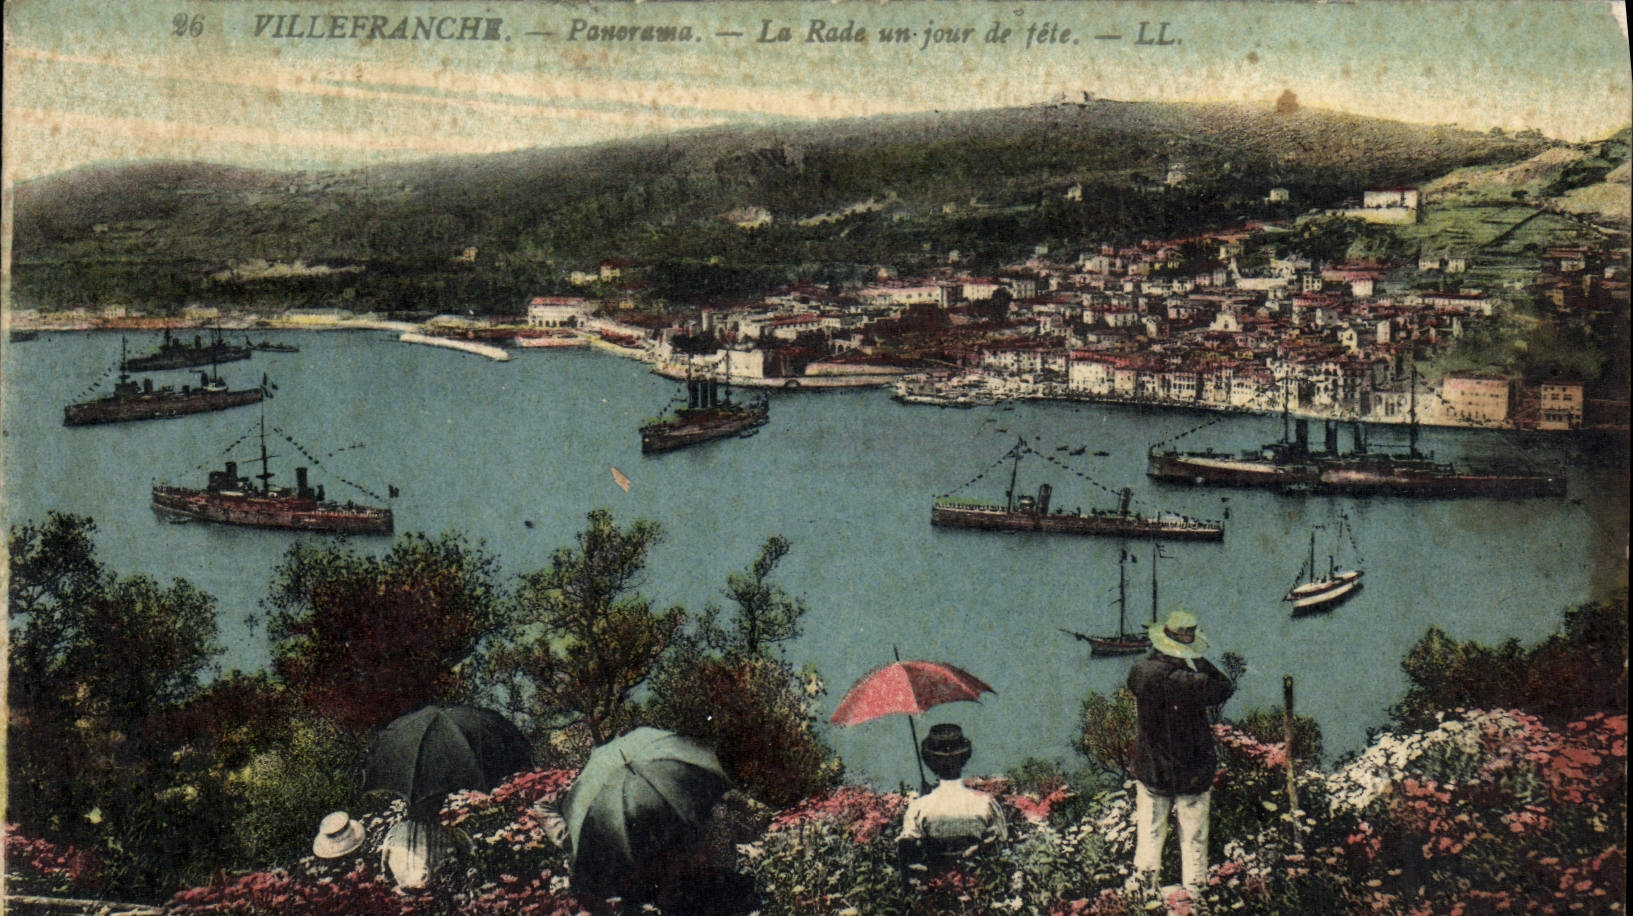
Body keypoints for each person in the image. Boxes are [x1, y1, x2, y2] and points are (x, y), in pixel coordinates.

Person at [1127, 610, 1235, 893]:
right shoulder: (1192, 682)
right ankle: (1195, 895)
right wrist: (1197, 658)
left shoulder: (1139, 672)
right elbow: (1224, 687)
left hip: (1152, 768)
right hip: (1191, 770)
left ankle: (1144, 894)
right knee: (1194, 838)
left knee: (1149, 834)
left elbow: (1148, 672)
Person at [898, 724, 1007, 873]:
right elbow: (1000, 844)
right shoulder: (986, 803)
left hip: (935, 889)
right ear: (964, 759)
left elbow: (907, 854)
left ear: (930, 764)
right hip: (981, 888)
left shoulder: (919, 807)